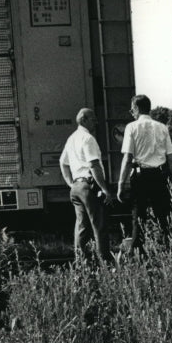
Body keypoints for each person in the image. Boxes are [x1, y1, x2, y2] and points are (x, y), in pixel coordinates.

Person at [117, 94, 172, 254]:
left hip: (140, 176)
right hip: (159, 175)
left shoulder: (131, 127)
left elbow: (128, 158)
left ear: (137, 108)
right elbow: (171, 159)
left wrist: (121, 183)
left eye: (132, 109)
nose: (131, 112)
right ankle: (171, 252)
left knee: (138, 217)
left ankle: (138, 255)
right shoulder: (162, 127)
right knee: (164, 217)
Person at [60, 107, 114, 263]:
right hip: (88, 185)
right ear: (83, 119)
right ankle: (105, 263)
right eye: (93, 119)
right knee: (99, 225)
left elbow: (62, 163)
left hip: (76, 187)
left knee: (82, 227)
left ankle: (81, 263)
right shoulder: (88, 139)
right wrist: (105, 189)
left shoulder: (71, 138)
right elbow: (94, 165)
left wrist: (71, 183)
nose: (96, 122)